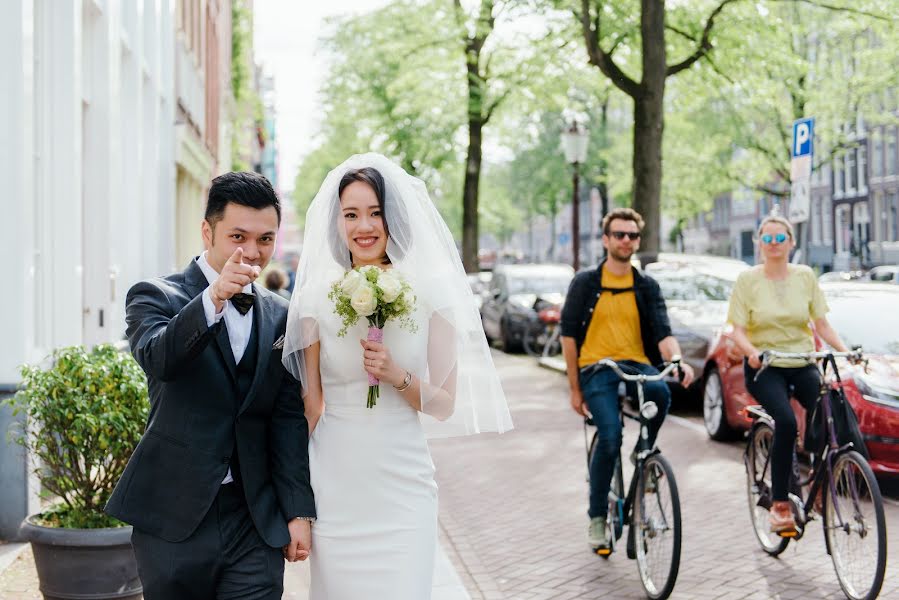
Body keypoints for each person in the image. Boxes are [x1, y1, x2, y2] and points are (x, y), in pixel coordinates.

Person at [282, 153, 512, 599]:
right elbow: (310, 406)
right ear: (337, 222)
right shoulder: (313, 298)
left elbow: (444, 404)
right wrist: (295, 503)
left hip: (403, 484)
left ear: (395, 219)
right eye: (351, 214)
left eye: (375, 212)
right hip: (335, 484)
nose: (363, 226)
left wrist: (397, 375)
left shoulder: (431, 290)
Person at [106, 172, 315, 599]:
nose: (253, 253)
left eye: (265, 239)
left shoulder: (281, 315)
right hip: (173, 518)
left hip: (253, 519)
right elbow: (159, 359)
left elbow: (287, 418)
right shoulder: (154, 296)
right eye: (238, 236)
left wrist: (297, 511)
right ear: (207, 231)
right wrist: (214, 298)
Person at [559, 207, 695, 551]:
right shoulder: (585, 282)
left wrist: (676, 360)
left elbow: (663, 333)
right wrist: (575, 388)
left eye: (632, 235)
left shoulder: (647, 285)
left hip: (637, 362)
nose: (626, 240)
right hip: (595, 367)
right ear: (606, 240)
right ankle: (596, 518)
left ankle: (643, 453)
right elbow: (569, 336)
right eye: (619, 234)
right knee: (609, 436)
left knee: (662, 393)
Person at [727, 214, 850, 534]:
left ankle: (820, 485)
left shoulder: (805, 276)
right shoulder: (747, 280)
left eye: (780, 239)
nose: (773, 245)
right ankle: (780, 503)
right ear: (759, 244)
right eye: (766, 239)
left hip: (801, 361)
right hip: (765, 366)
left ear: (792, 242)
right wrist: (751, 352)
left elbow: (822, 324)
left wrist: (846, 350)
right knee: (784, 421)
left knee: (832, 407)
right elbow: (737, 330)